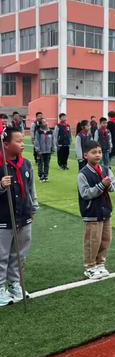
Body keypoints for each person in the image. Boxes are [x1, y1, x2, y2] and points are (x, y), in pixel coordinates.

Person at [0, 127, 38, 306]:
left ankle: (15, 283)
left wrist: (33, 207)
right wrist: (1, 186)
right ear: (5, 145)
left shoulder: (26, 164)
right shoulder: (1, 165)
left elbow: (31, 188)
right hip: (3, 218)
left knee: (20, 253)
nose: (23, 144)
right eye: (18, 141)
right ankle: (0, 288)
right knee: (2, 255)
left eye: (23, 140)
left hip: (24, 216)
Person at [77, 140, 115, 280]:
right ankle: (90, 266)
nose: (98, 155)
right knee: (93, 240)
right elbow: (85, 193)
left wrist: (110, 184)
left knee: (106, 239)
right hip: (92, 212)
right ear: (86, 155)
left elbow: (113, 187)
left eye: (99, 152)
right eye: (94, 152)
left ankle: (100, 263)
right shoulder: (83, 173)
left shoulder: (106, 169)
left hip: (106, 210)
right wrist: (102, 185)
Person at [34, 118, 56, 183]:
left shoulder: (50, 131)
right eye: (44, 122)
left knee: (47, 164)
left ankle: (46, 176)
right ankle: (41, 176)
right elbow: (36, 141)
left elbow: (53, 140)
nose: (46, 123)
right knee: (40, 164)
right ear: (40, 124)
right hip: (41, 151)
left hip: (48, 151)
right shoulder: (38, 132)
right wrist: (38, 150)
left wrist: (53, 148)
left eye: (46, 121)